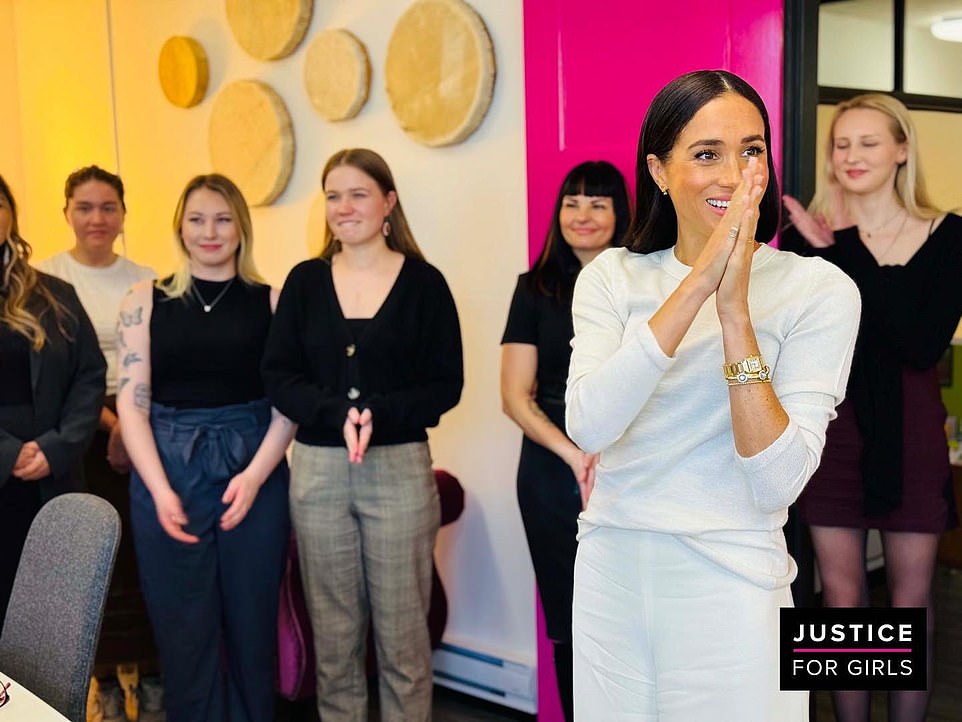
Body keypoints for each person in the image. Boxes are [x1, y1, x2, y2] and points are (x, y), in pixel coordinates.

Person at [565, 70, 862, 720]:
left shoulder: (817, 290)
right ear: (660, 171)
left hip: (735, 585)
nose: (734, 174)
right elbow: (590, 425)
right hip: (615, 578)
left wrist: (735, 315)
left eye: (751, 150)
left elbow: (776, 482)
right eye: (706, 154)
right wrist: (698, 284)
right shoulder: (611, 278)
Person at [262, 148, 463, 722]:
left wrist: (377, 412)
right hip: (319, 473)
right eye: (332, 195)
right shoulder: (304, 282)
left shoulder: (424, 284)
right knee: (335, 641)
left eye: (357, 193)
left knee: (403, 639)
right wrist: (334, 412)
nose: (343, 207)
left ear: (388, 202)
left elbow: (445, 385)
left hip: (400, 469)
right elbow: (279, 377)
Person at [783, 93, 962, 722]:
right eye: (842, 144)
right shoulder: (799, 242)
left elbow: (919, 342)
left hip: (913, 439)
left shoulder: (950, 235)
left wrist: (843, 252)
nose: (851, 156)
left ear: (902, 150)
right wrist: (822, 249)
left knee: (911, 606)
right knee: (840, 605)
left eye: (869, 142)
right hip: (832, 437)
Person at [116, 174, 293, 722]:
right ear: (180, 227)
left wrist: (256, 476)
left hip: (253, 466)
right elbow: (132, 403)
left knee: (251, 620)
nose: (209, 231)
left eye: (222, 218)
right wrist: (159, 488)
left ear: (241, 226)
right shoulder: (143, 300)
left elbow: (288, 404)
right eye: (197, 219)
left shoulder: (274, 300)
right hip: (167, 466)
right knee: (183, 624)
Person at [499, 160, 630, 721]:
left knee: (627, 618)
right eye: (572, 203)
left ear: (621, 214)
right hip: (553, 470)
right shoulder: (535, 290)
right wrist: (575, 455)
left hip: (628, 462)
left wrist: (605, 453)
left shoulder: (643, 282)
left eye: (598, 203)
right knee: (569, 617)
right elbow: (514, 395)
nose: (582, 215)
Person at [38, 165, 155, 712]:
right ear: (66, 213)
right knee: (90, 559)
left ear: (124, 215)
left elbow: (154, 364)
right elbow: (67, 374)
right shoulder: (45, 281)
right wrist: (110, 427)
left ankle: (152, 670)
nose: (97, 218)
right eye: (84, 207)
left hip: (142, 426)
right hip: (72, 432)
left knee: (142, 554)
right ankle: (102, 682)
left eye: (108, 207)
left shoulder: (147, 278)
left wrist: (131, 429)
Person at [0, 174, 105, 628]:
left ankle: (49, 705)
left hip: (55, 474)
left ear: (11, 213)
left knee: (54, 626)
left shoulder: (54, 294)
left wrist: (59, 446)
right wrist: (8, 453)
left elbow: (89, 374)